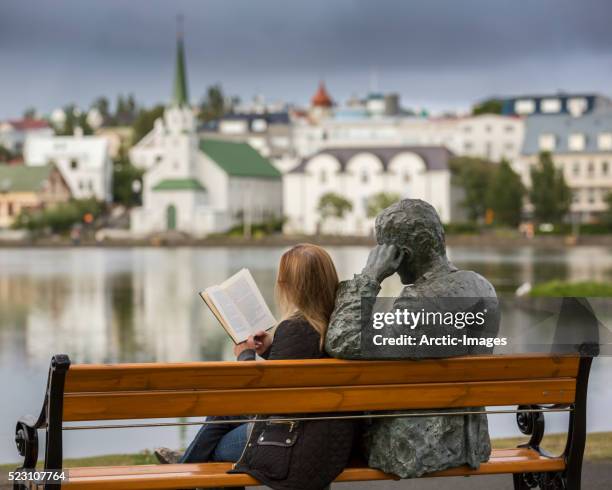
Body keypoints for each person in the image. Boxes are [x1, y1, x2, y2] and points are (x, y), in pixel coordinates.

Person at [325, 199, 500, 478]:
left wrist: (370, 276)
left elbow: (343, 339)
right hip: (470, 441)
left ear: (400, 254)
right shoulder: (482, 286)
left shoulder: (418, 305)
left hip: (418, 446)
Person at [156, 243, 355, 490]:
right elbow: (297, 376)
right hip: (333, 436)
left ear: (290, 286)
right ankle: (185, 465)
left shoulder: (295, 327)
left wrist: (245, 356)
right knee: (224, 413)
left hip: (296, 440)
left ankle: (183, 471)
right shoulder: (342, 325)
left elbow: (261, 400)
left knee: (219, 439)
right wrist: (271, 349)